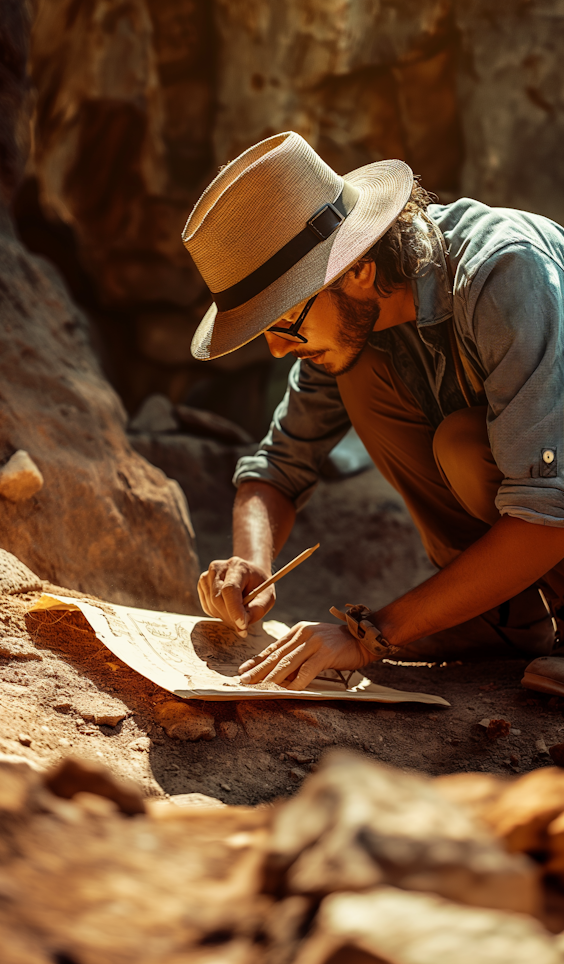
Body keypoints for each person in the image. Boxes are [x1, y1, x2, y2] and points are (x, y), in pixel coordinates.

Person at [181, 131, 564, 693]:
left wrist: (373, 633)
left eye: (283, 321)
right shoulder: (353, 322)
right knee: (370, 383)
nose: (278, 348)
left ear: (356, 269)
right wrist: (252, 563)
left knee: (463, 444)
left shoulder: (503, 273)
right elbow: (278, 466)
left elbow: (550, 512)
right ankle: (507, 619)